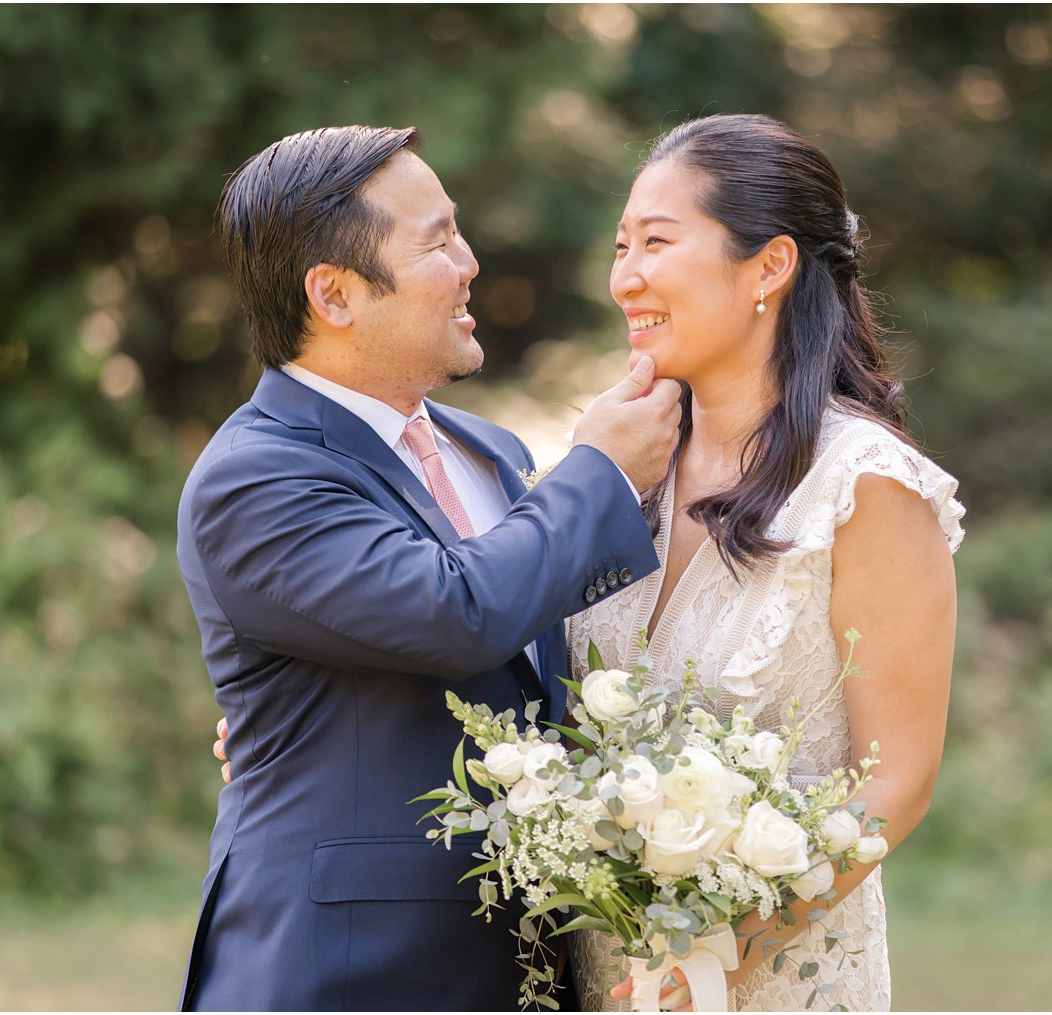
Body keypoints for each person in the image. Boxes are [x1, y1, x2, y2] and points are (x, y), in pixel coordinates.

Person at [177, 124, 681, 1012]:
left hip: (521, 968)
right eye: (437, 240)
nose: (472, 261)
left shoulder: (488, 450)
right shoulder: (254, 476)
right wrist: (597, 470)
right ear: (333, 294)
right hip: (343, 974)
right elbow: (457, 613)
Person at [570, 113, 964, 1011]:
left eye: (656, 243)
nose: (623, 276)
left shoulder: (865, 487)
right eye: (621, 244)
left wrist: (721, 950)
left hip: (776, 980)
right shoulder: (614, 461)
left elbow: (895, 781)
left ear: (770, 266)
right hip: (601, 978)